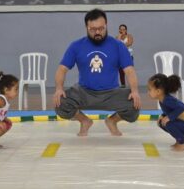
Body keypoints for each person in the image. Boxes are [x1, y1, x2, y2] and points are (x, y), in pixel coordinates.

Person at [53, 9, 141, 137]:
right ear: (86, 27)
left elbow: (130, 71)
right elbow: (62, 69)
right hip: (84, 93)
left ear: (106, 25)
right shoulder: (76, 46)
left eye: (101, 28)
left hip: (112, 94)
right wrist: (59, 89)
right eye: (93, 29)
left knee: (135, 105)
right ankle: (84, 121)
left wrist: (135, 91)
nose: (98, 32)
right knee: (59, 102)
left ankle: (112, 120)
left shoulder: (118, 46)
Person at [147, 73, 184, 151]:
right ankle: (179, 140)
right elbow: (170, 110)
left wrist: (169, 117)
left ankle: (183, 142)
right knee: (162, 122)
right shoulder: (162, 100)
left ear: (158, 91)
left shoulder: (167, 100)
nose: (148, 92)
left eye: (150, 89)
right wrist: (164, 115)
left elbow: (181, 108)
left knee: (168, 123)